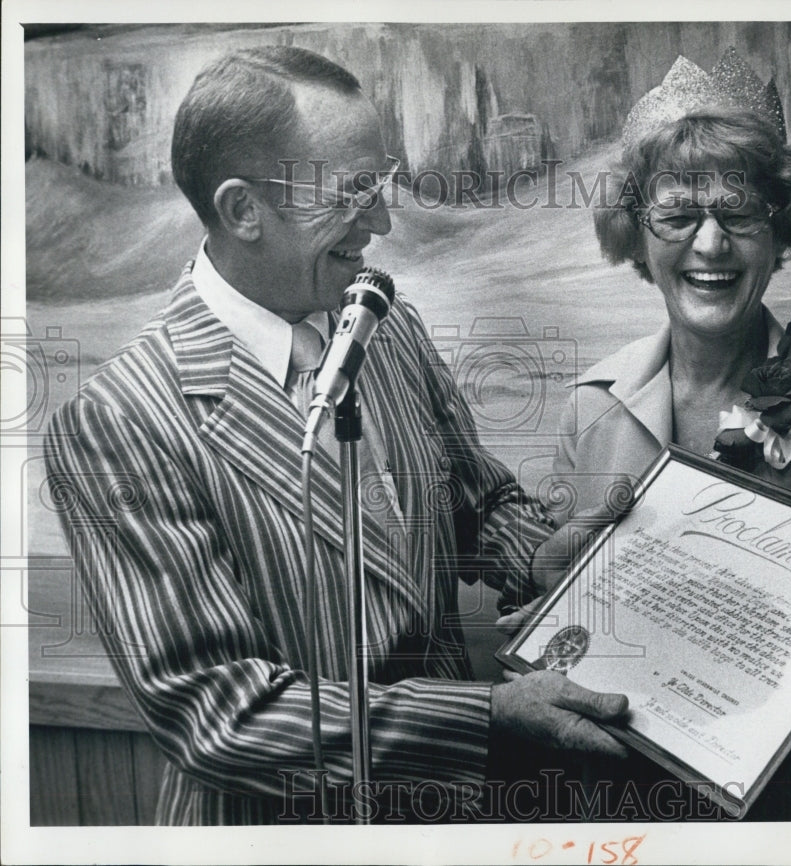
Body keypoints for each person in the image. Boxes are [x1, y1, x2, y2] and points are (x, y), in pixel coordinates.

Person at [42, 46, 630, 825]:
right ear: (243, 210)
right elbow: (221, 715)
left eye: (380, 186)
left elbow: (474, 501)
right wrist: (484, 719)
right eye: (353, 194)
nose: (382, 222)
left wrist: (538, 555)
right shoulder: (118, 421)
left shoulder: (384, 324)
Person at [521, 49, 791, 820]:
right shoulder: (588, 409)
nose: (711, 245)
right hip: (626, 805)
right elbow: (568, 636)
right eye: (678, 216)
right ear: (636, 234)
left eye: (739, 213)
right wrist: (547, 591)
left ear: (780, 230)